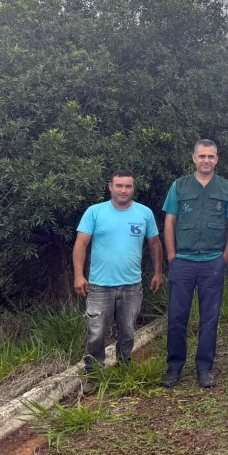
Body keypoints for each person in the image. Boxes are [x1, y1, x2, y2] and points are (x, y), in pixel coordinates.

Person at [73, 169, 163, 395]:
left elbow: (154, 244)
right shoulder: (95, 212)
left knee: (128, 331)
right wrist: (78, 275)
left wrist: (158, 272)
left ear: (133, 188)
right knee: (96, 334)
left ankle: (124, 368)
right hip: (100, 286)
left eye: (128, 186)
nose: (124, 190)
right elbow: (81, 245)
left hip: (131, 286)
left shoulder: (144, 213)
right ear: (110, 187)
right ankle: (93, 374)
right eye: (119, 186)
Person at [161, 139, 228, 389]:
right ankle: (174, 367)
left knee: (210, 318)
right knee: (177, 317)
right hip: (182, 262)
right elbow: (170, 222)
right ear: (194, 158)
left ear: (217, 159)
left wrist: (224, 258)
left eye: (211, 156)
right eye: (202, 156)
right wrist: (172, 258)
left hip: (212, 263)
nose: (206, 160)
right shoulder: (179, 186)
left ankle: (204, 368)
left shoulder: (226, 188)